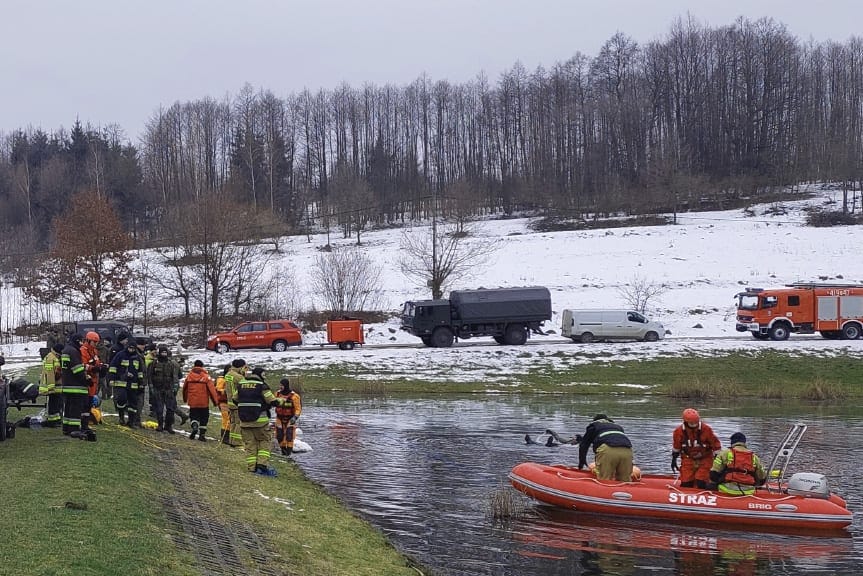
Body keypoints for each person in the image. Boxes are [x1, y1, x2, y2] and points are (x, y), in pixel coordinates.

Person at [232, 366, 286, 476]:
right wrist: (281, 401)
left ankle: (252, 468)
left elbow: (234, 398)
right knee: (264, 442)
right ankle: (262, 466)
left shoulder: (242, 384)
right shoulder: (262, 386)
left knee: (250, 445)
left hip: (244, 421)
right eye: (264, 374)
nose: (265, 377)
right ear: (260, 374)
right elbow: (271, 401)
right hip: (260, 421)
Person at [671, 408, 721, 488]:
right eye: (692, 423)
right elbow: (676, 447)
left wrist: (718, 461)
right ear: (686, 422)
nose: (694, 424)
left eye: (696, 422)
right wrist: (674, 459)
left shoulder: (706, 429)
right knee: (686, 483)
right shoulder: (678, 431)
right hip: (688, 458)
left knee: (701, 482)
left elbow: (715, 445)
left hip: (705, 458)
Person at [577, 414, 633, 481]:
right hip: (627, 451)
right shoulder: (618, 427)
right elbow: (613, 438)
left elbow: (584, 445)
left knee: (604, 480)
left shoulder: (593, 427)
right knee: (625, 480)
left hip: (608, 450)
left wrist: (581, 463)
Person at [60, 333, 90, 436]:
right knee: (75, 409)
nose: (82, 343)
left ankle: (66, 429)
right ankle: (74, 429)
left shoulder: (66, 350)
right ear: (77, 341)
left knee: (68, 409)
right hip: (76, 387)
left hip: (67, 385)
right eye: (81, 341)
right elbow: (77, 369)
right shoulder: (73, 351)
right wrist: (86, 379)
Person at [109, 339, 145, 426]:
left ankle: (131, 421)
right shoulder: (120, 355)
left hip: (133, 385)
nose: (131, 350)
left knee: (133, 403)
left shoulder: (137, 357)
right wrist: (112, 378)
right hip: (121, 383)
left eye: (133, 349)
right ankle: (121, 417)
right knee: (121, 400)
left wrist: (141, 383)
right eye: (130, 348)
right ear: (127, 347)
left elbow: (140, 371)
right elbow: (113, 367)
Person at [182, 360, 219, 442]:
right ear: (202, 367)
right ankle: (202, 435)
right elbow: (212, 390)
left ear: (194, 366)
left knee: (194, 416)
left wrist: (185, 398)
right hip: (203, 402)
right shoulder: (206, 377)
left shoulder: (189, 376)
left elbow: (184, 389)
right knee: (204, 418)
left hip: (193, 402)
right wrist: (215, 402)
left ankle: (195, 426)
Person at [147, 346, 178, 433]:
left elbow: (175, 376)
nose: (164, 354)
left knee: (170, 409)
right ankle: (160, 425)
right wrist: (151, 387)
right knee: (159, 409)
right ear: (159, 353)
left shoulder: (171, 364)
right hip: (158, 389)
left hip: (169, 389)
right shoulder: (154, 363)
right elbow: (149, 376)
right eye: (162, 352)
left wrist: (175, 386)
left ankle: (168, 426)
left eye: (165, 352)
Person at [274, 377, 302, 456]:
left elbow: (298, 408)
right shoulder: (277, 394)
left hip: (290, 418)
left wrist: (295, 417)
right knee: (279, 435)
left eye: (282, 385)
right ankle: (283, 451)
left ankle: (288, 454)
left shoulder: (294, 396)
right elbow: (272, 402)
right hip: (279, 417)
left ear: (286, 385)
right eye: (280, 385)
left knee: (289, 436)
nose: (280, 387)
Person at [223, 359, 247, 447]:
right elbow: (245, 386)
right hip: (237, 403)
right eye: (244, 367)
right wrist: (243, 374)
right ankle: (237, 442)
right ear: (240, 367)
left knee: (233, 422)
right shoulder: (239, 377)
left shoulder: (228, 374)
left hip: (230, 402)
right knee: (238, 423)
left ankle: (231, 440)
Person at [40, 343, 64, 427]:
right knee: (53, 404)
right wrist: (51, 387)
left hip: (56, 385)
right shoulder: (51, 358)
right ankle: (52, 421)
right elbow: (50, 373)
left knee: (57, 403)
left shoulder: (54, 357)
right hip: (53, 386)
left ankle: (56, 420)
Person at [215, 364, 231, 444]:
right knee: (226, 419)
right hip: (223, 402)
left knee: (230, 420)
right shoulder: (222, 380)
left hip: (230, 402)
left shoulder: (231, 380)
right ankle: (225, 438)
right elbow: (218, 389)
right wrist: (225, 391)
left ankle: (228, 436)